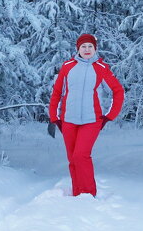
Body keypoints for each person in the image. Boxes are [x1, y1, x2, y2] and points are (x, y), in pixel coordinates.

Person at [47, 33, 125, 197]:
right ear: (78, 49)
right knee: (73, 159)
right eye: (84, 46)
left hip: (92, 120)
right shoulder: (68, 66)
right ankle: (77, 193)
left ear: (95, 49)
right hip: (68, 120)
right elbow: (56, 92)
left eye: (90, 46)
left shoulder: (101, 68)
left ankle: (89, 194)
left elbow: (118, 91)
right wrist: (54, 117)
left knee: (81, 155)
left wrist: (109, 116)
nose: (87, 49)